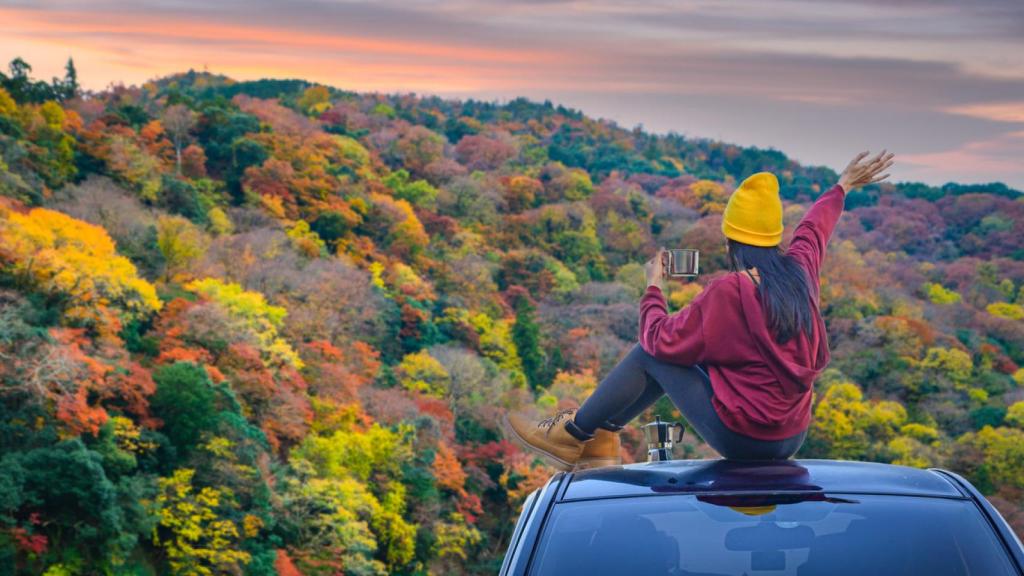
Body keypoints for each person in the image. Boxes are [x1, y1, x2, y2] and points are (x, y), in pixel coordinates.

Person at [504, 150, 895, 469]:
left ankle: (573, 436)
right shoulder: (800, 274)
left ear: (732, 241)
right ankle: (599, 437)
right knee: (689, 355)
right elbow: (814, 230)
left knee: (652, 354)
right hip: (791, 436)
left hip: (746, 438)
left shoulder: (729, 291)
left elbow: (658, 341)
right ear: (774, 237)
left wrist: (653, 287)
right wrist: (842, 186)